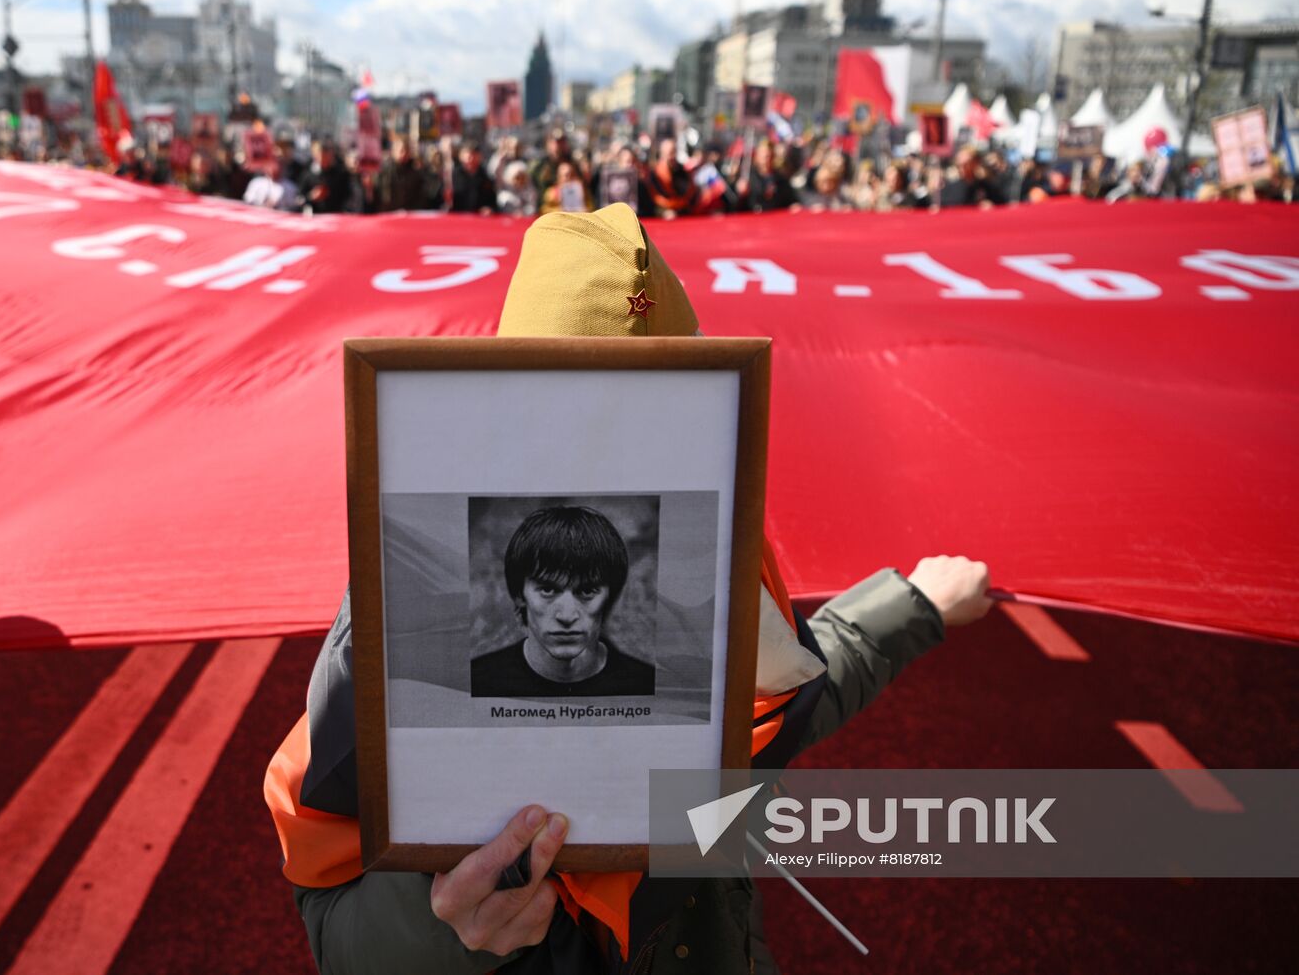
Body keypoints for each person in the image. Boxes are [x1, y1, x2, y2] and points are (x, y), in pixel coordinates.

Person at [264, 203, 994, 975]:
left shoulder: (723, 577)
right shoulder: (392, 643)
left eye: (665, 426)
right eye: (570, 418)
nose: (568, 608)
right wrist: (447, 920)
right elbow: (335, 916)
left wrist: (909, 606)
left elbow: (776, 703)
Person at [471, 506, 655, 698]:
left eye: (586, 591)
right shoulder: (477, 684)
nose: (567, 616)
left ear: (610, 596)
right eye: (547, 590)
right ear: (519, 594)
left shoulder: (645, 686)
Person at [938, 146, 1006, 208]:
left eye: (968, 164)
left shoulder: (985, 184)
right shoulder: (951, 186)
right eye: (961, 165)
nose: (964, 168)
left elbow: (1000, 201)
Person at [450, 141, 497, 214]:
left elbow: (492, 200)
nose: (471, 159)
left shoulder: (486, 177)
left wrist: (489, 208)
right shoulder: (453, 176)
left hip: (479, 219)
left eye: (474, 155)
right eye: (468, 155)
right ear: (461, 156)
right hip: (457, 216)